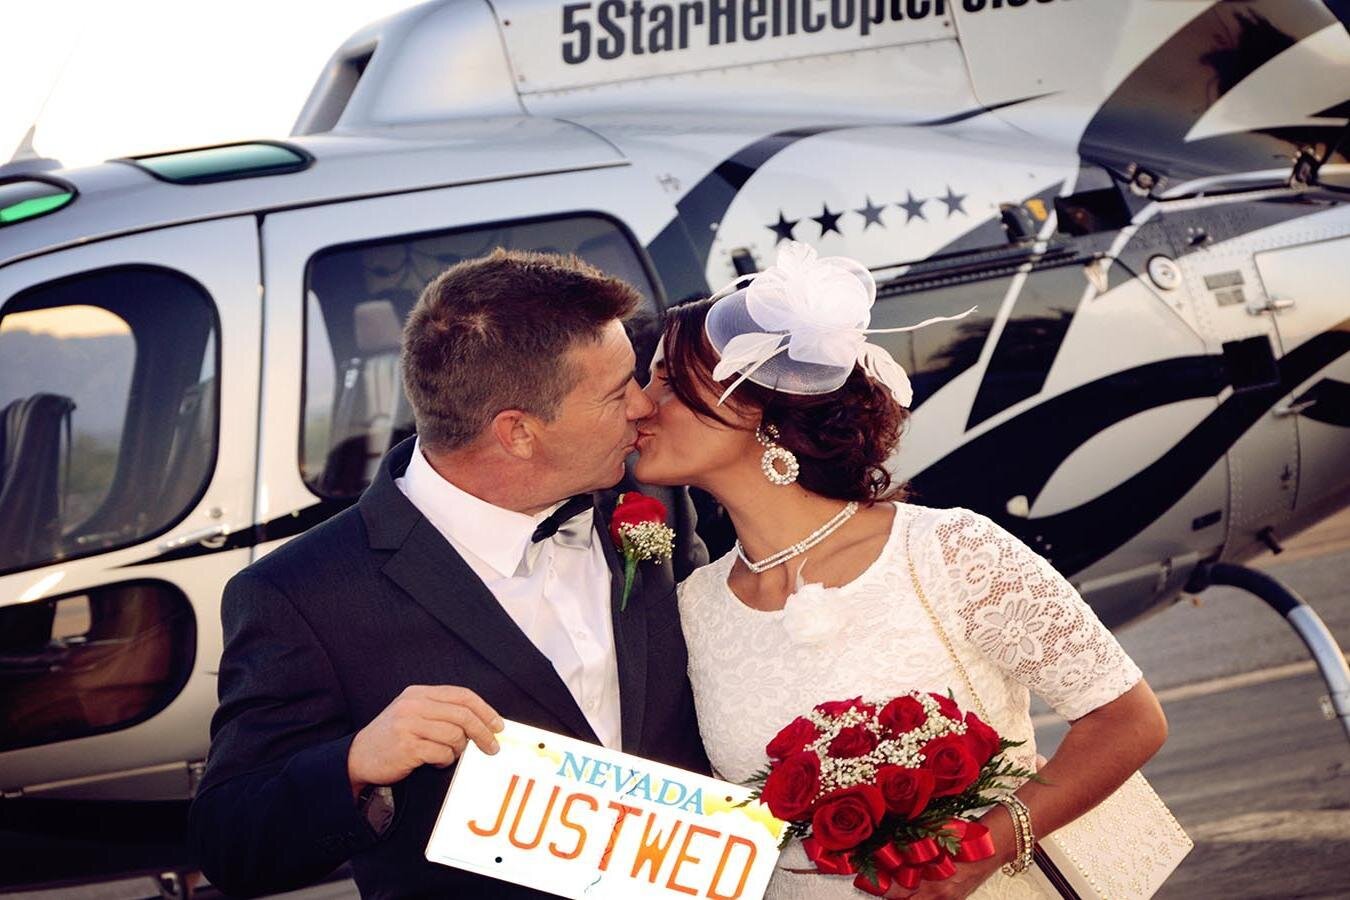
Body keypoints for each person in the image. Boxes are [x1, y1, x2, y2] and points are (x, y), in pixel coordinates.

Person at [632, 242, 1169, 900]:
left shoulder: (949, 552)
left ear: (752, 405)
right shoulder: (693, 608)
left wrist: (983, 849)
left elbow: (1126, 719)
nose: (640, 404)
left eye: (666, 381)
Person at [188, 249, 709, 898]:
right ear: (518, 433)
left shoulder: (652, 495)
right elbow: (230, 843)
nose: (643, 405)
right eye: (615, 392)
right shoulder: (301, 595)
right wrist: (354, 764)